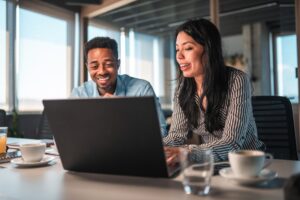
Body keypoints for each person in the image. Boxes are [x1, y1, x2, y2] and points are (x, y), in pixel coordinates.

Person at [163, 19, 265, 162]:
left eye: (188, 48)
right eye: (177, 49)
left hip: (249, 162)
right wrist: (157, 148)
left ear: (209, 50)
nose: (179, 56)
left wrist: (186, 153)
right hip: (214, 162)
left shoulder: (237, 80)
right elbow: (176, 136)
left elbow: (232, 144)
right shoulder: (183, 88)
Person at [71, 37, 167, 137]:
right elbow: (63, 134)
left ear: (118, 64)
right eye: (95, 66)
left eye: (108, 64)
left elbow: (161, 132)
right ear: (88, 68)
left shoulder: (141, 89)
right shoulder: (79, 94)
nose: (102, 71)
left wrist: (123, 113)